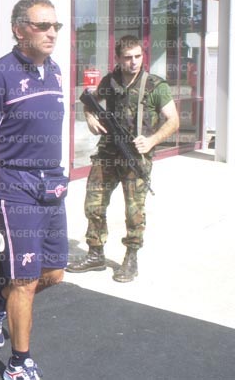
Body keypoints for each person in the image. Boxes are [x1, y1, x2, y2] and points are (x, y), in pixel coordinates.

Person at [0, 0, 68, 380]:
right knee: (24, 280)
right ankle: (18, 363)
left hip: (52, 184)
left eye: (55, 25)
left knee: (54, 272)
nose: (51, 32)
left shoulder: (55, 71)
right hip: (15, 185)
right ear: (19, 30)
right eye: (42, 25)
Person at [67, 35, 179, 282]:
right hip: (107, 153)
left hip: (135, 158)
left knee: (134, 211)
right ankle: (95, 253)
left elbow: (173, 120)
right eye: (128, 57)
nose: (134, 62)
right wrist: (90, 118)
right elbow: (89, 102)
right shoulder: (110, 81)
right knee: (93, 204)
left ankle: (131, 258)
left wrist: (152, 140)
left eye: (138, 56)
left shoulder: (155, 86)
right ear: (118, 58)